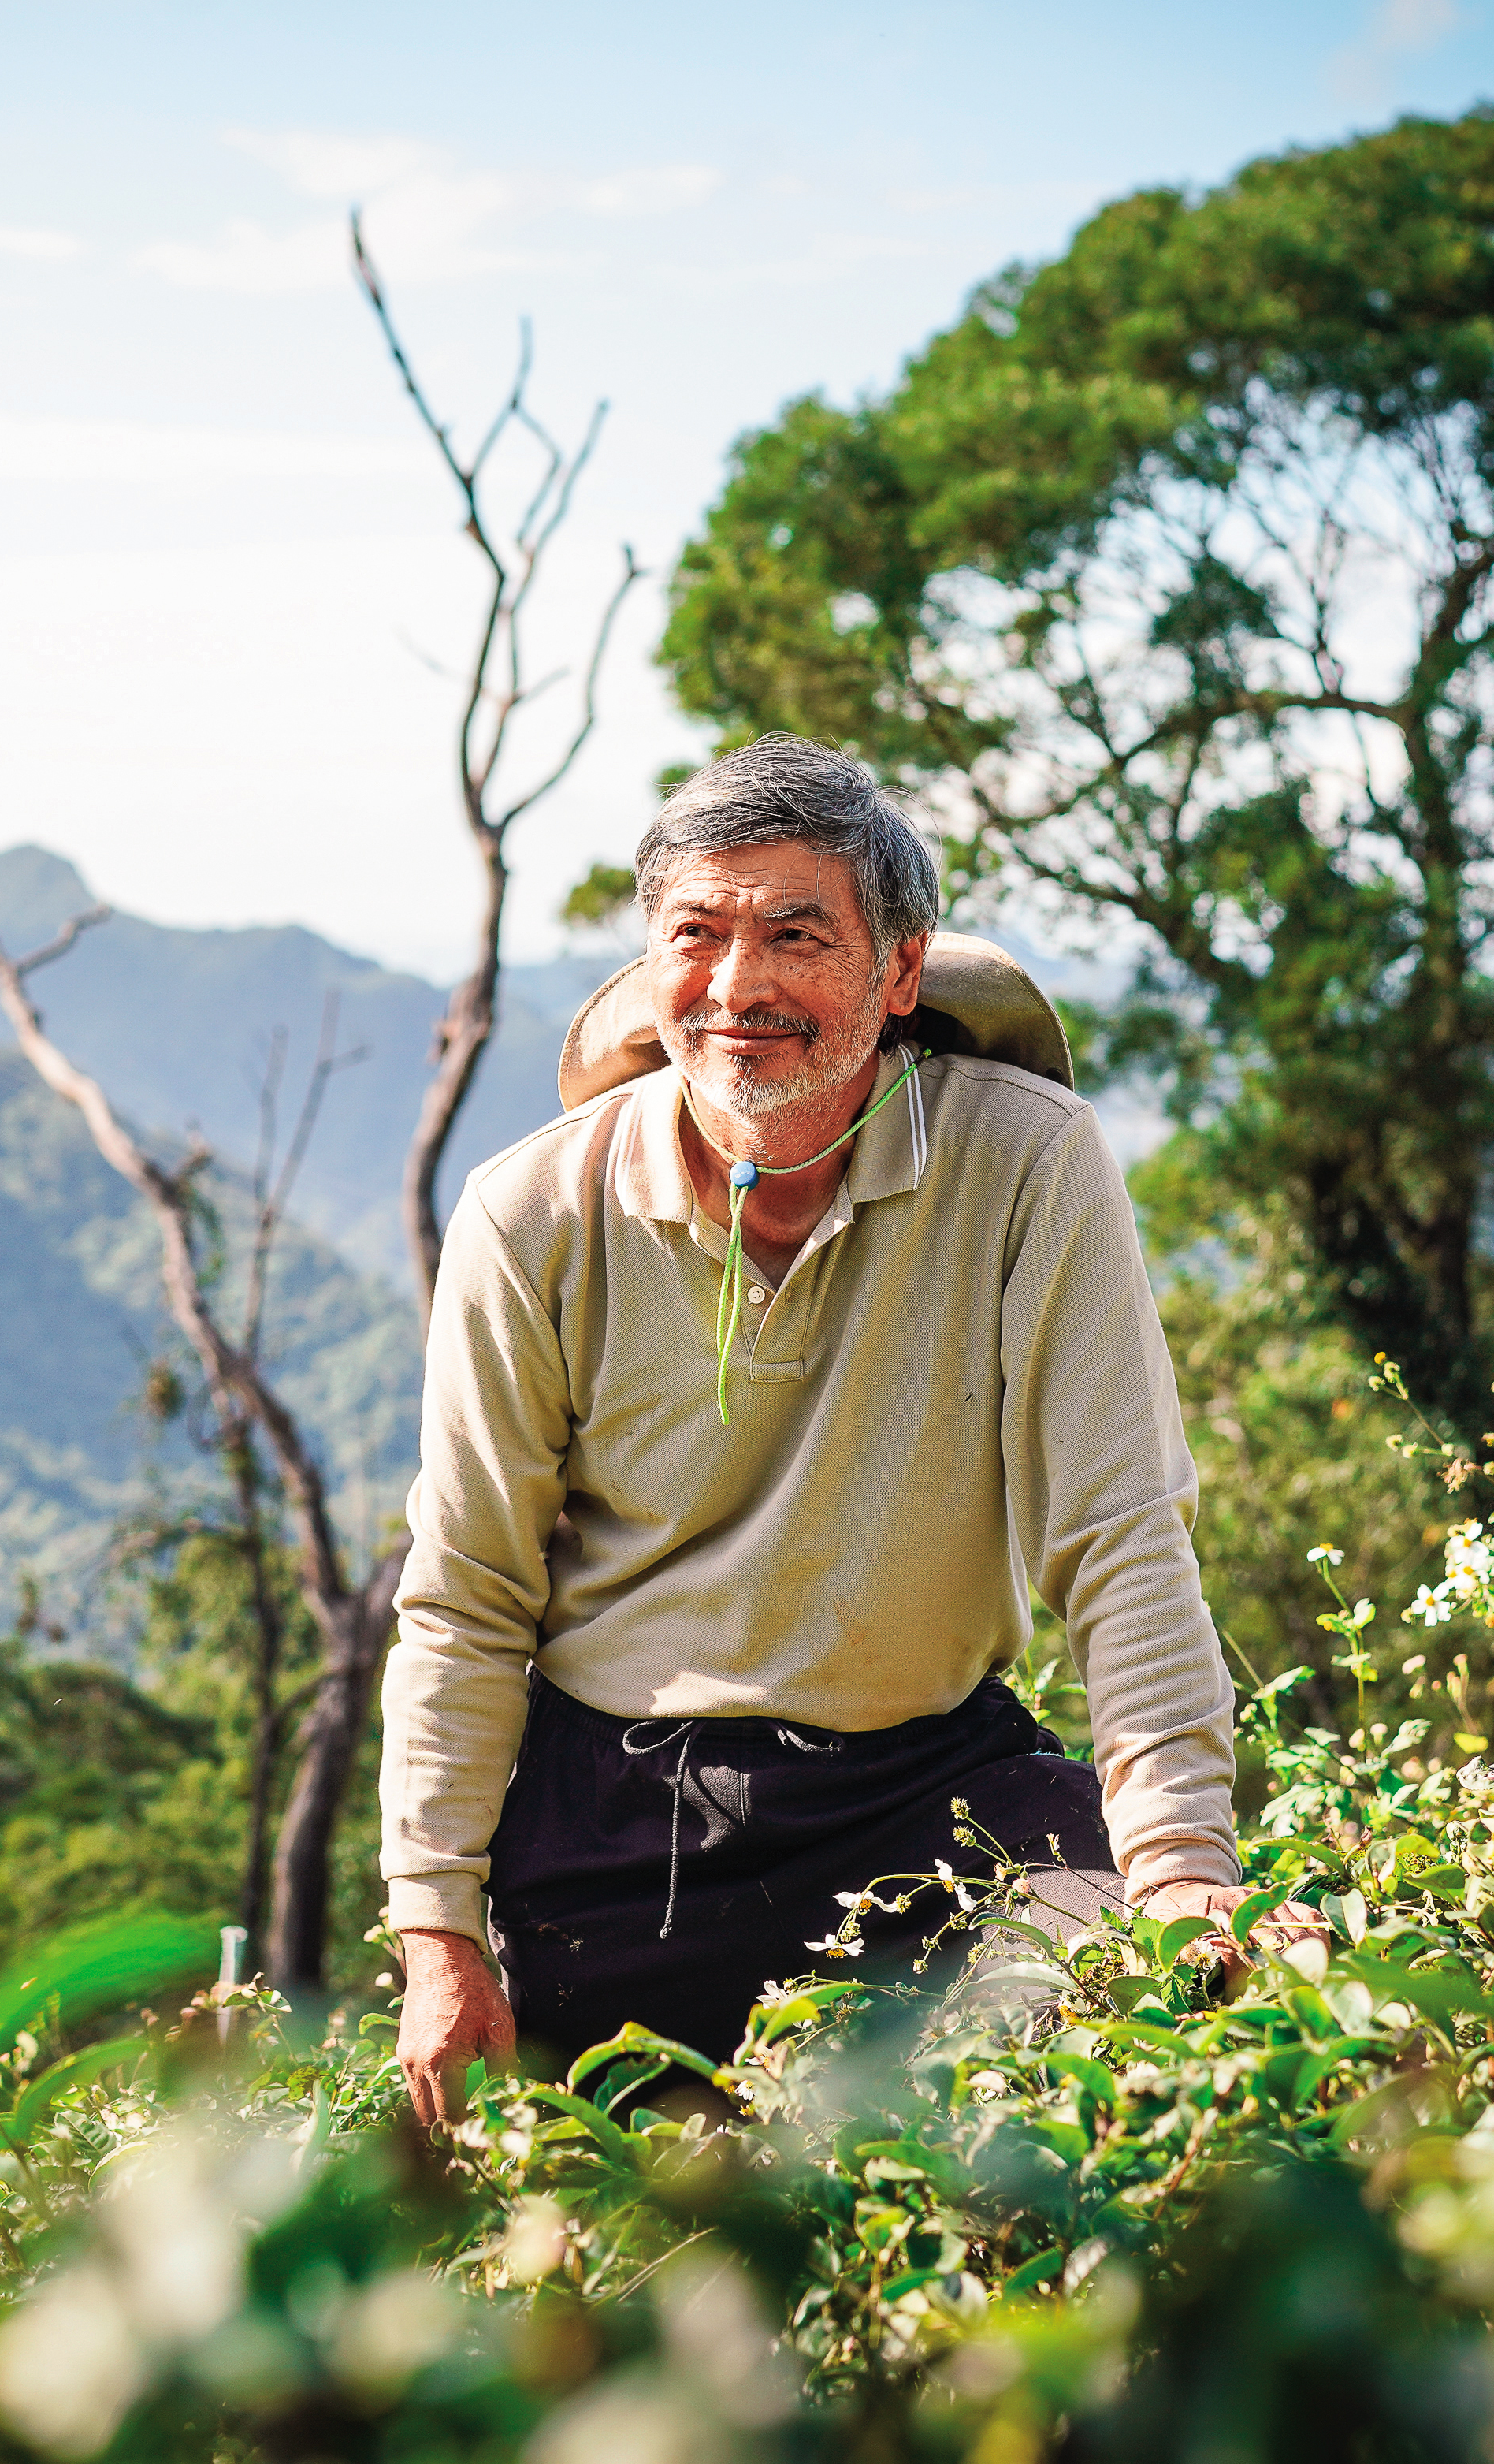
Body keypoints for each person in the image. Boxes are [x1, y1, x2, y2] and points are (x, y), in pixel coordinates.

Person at [380, 736, 1254, 2126]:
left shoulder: (1025, 1160)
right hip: (619, 1819)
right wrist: (436, 1930)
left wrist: (1185, 1867)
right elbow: (469, 1591)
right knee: (633, 2211)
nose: (740, 986)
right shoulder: (534, 1211)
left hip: (929, 1778)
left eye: (796, 935)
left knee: (1081, 2027)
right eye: (697, 935)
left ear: (899, 973)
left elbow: (1121, 1534)